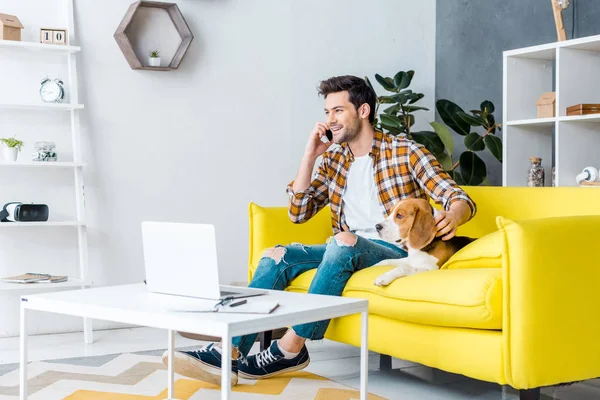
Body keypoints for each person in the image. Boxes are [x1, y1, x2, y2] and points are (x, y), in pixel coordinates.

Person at [163, 75, 476, 386]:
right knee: (277, 257)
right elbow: (298, 212)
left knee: (342, 242)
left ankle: (290, 350)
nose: (330, 120)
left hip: (392, 249)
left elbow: (457, 196)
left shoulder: (404, 151)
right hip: (344, 247)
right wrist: (309, 156)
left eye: (338, 111)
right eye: (327, 113)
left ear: (363, 111)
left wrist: (453, 215)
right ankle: (228, 351)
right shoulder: (334, 160)